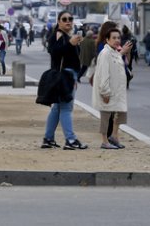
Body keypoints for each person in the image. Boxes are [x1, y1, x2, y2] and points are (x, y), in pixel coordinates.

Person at [41, 10, 88, 150]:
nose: (68, 21)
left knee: (57, 108)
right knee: (66, 107)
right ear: (59, 21)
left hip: (67, 75)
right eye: (64, 19)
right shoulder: (58, 35)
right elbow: (54, 53)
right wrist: (70, 44)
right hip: (64, 75)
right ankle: (71, 140)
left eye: (70, 19)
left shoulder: (66, 36)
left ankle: (48, 139)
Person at [92, 27, 128, 149]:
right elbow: (103, 74)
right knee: (105, 116)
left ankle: (114, 136)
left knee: (121, 112)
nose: (117, 40)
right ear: (107, 39)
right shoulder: (105, 53)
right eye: (114, 38)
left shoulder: (114, 52)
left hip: (117, 91)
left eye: (118, 38)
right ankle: (104, 141)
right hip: (108, 91)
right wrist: (105, 92)